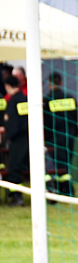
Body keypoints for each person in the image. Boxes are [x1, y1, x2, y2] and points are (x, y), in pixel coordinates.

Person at [43, 72, 78, 197]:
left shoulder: (47, 100)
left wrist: (46, 138)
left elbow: (45, 121)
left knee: (60, 164)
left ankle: (67, 190)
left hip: (55, 138)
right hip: (70, 136)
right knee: (65, 163)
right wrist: (75, 133)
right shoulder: (69, 98)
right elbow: (77, 118)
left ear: (49, 83)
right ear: (61, 82)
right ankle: (62, 188)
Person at [3, 76, 28, 207]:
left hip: (18, 140)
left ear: (8, 86)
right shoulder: (25, 98)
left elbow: (12, 124)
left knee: (14, 168)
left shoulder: (12, 101)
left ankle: (17, 197)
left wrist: (8, 136)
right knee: (36, 167)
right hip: (31, 138)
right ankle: (49, 190)